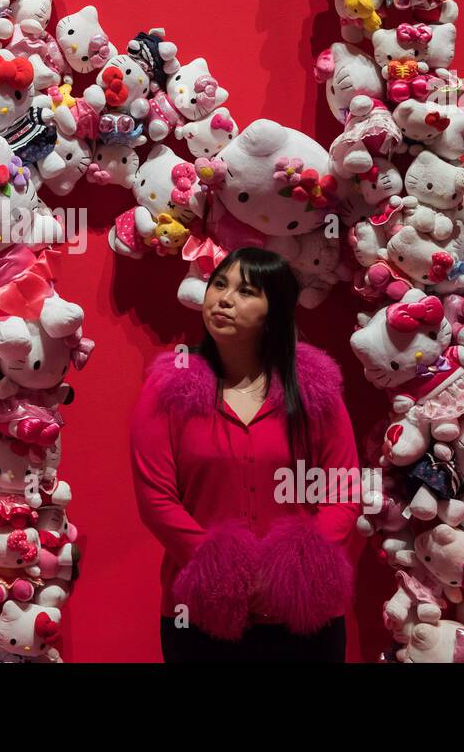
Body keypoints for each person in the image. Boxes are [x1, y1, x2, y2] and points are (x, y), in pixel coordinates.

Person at [129, 246, 361, 662]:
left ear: (276, 310)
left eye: (246, 290)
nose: (225, 299)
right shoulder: (170, 389)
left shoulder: (315, 390)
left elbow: (343, 489)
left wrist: (293, 574)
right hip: (203, 613)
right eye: (219, 284)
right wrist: (227, 577)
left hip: (305, 611)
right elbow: (156, 500)